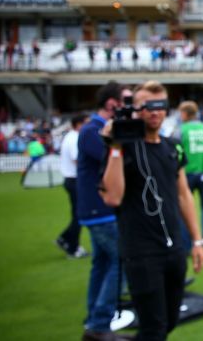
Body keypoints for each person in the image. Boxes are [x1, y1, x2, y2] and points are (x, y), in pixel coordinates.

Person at [100, 81, 203, 340]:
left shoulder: (172, 146)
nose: (155, 112)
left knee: (168, 323)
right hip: (141, 252)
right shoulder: (122, 145)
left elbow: (184, 196)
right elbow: (113, 197)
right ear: (134, 109)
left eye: (160, 106)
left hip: (174, 250)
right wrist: (114, 147)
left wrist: (197, 240)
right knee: (153, 329)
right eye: (147, 106)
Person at [77, 82, 126, 340]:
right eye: (124, 101)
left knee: (102, 264)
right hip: (101, 210)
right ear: (111, 103)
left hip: (97, 210)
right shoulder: (92, 131)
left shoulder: (92, 129)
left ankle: (93, 318)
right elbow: (112, 162)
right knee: (120, 262)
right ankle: (99, 323)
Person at [176, 100, 203, 256]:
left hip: (186, 175)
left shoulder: (182, 130)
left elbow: (175, 149)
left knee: (184, 209)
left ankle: (186, 245)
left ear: (185, 113)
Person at [56, 114, 89, 259]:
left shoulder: (70, 136)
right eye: (86, 123)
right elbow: (78, 160)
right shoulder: (75, 138)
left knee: (78, 214)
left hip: (71, 179)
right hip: (75, 180)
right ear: (78, 124)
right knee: (79, 215)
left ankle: (67, 240)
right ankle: (71, 246)